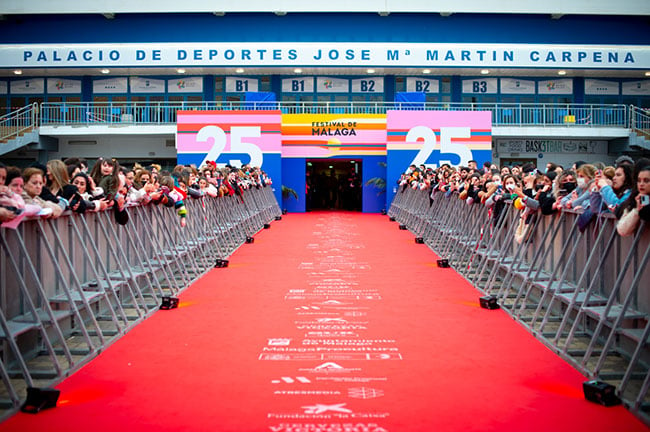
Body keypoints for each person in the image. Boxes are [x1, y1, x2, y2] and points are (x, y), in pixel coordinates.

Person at [616, 163, 650, 236]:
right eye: (639, 180)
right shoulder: (634, 200)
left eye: (646, 181)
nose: (641, 184)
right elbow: (622, 230)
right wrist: (637, 210)